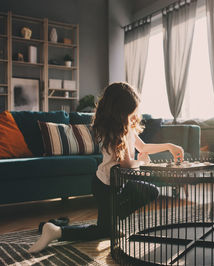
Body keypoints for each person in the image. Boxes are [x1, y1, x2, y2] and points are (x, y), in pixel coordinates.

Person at [29, 82, 184, 253]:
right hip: (105, 187)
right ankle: (56, 231)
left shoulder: (127, 128)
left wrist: (169, 146)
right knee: (102, 230)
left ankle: (111, 222)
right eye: (131, 112)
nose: (135, 116)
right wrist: (142, 163)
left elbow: (144, 147)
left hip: (118, 183)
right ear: (120, 112)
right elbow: (126, 164)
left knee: (150, 191)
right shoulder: (116, 133)